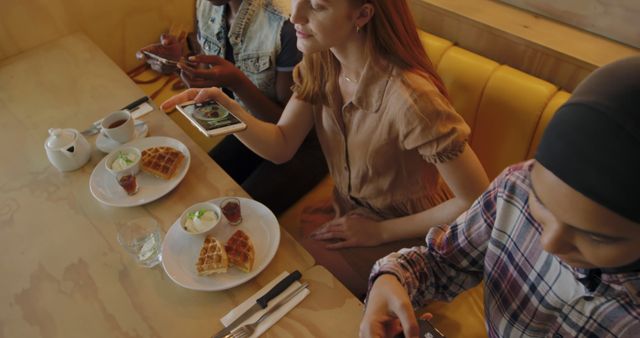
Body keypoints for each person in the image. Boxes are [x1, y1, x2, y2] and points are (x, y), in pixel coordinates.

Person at [161, 0, 489, 297]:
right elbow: (282, 145)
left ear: (363, 14)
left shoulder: (410, 98)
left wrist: (378, 231)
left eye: (316, 6)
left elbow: (476, 199)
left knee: (290, 284)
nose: (295, 15)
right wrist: (223, 107)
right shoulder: (321, 61)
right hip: (351, 211)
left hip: (416, 231)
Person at [360, 56, 640, 338]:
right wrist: (391, 278)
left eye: (595, 237)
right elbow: (442, 263)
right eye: (541, 203)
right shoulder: (516, 188)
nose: (549, 242)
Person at [138, 0, 328, 215]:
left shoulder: (285, 25)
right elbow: (211, 77)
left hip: (305, 142)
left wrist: (236, 83)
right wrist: (180, 63)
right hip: (248, 120)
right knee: (198, 184)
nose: (298, 15)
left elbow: (286, 127)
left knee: (236, 212)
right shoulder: (208, 5)